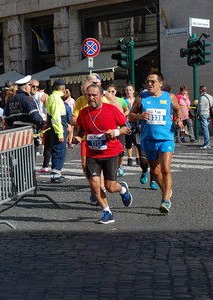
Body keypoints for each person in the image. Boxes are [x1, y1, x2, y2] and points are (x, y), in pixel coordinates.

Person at [73, 84, 133, 224]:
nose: (91, 98)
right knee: (94, 184)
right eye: (89, 95)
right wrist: (77, 137)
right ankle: (107, 211)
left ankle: (122, 189)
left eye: (94, 95)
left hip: (111, 152)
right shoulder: (83, 113)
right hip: (92, 154)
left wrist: (115, 132)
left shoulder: (111, 109)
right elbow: (81, 129)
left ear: (101, 96)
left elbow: (127, 127)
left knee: (111, 187)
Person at [129, 71, 184, 213]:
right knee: (155, 170)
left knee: (165, 169)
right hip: (147, 139)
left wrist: (178, 120)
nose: (149, 84)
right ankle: (166, 191)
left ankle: (165, 200)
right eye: (148, 81)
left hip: (166, 138)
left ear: (160, 83)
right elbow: (130, 116)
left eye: (153, 81)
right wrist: (140, 116)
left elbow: (179, 110)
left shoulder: (169, 97)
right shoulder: (142, 97)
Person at [42, 79, 69, 183]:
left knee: (57, 149)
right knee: (59, 150)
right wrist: (60, 133)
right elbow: (56, 117)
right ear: (63, 88)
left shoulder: (52, 97)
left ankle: (56, 173)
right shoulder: (56, 99)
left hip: (54, 125)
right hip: (58, 126)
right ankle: (56, 174)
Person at [123, 84, 140, 166]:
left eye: (130, 90)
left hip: (136, 121)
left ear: (133, 91)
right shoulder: (123, 101)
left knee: (136, 140)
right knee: (128, 141)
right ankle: (129, 158)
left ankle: (138, 157)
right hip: (127, 122)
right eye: (127, 90)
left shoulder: (137, 100)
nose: (128, 92)